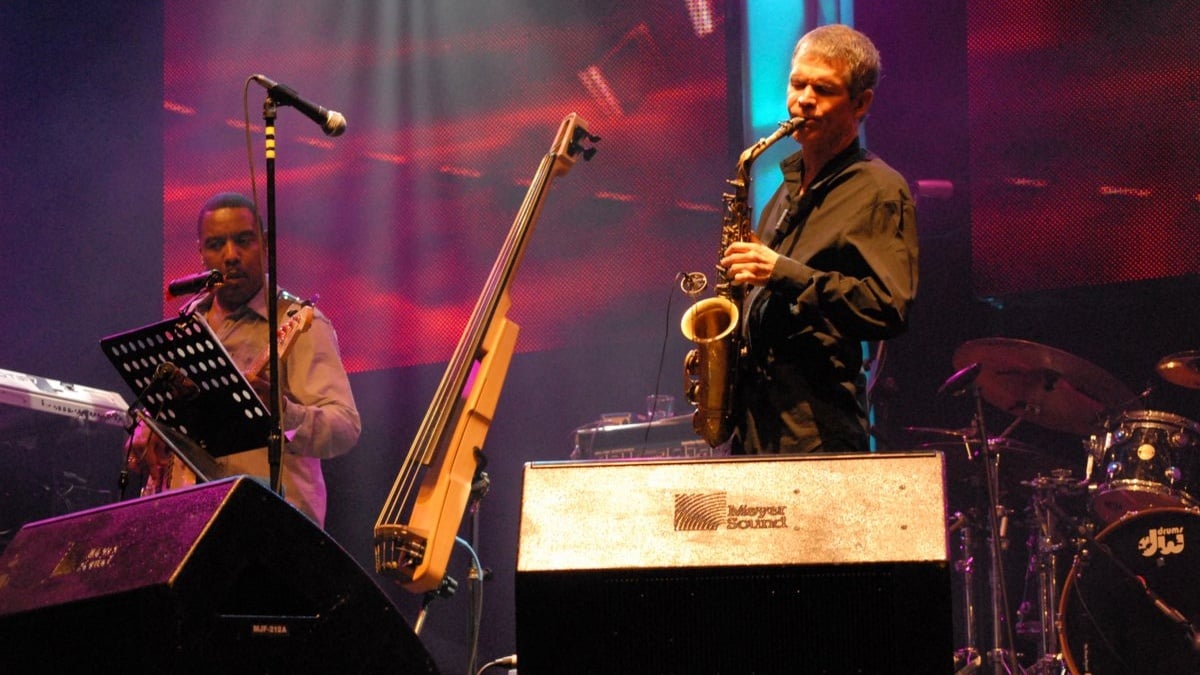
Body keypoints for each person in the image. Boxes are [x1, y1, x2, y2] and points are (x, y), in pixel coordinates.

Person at [719, 24, 918, 454]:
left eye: (823, 90)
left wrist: (781, 272)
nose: (803, 99)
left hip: (815, 435)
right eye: (797, 84)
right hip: (756, 426)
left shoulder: (879, 189)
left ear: (861, 103)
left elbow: (889, 307)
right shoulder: (785, 190)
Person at [125, 192, 360, 527]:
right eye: (216, 244)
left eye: (243, 241)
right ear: (201, 253)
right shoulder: (189, 322)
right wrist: (147, 434)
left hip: (268, 529)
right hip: (184, 524)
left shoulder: (299, 321)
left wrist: (284, 413)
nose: (231, 255)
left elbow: (345, 427)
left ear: (265, 245)